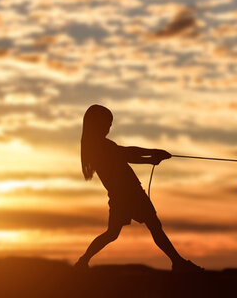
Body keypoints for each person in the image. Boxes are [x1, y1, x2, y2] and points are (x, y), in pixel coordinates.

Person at [75, 104, 203, 272]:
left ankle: (82, 261)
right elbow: (127, 153)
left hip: (120, 196)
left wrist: (152, 157)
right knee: (153, 227)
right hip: (130, 194)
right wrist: (153, 153)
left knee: (113, 233)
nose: (109, 126)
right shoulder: (102, 147)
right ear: (96, 123)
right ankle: (178, 263)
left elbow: (127, 155)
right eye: (107, 122)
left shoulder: (97, 147)